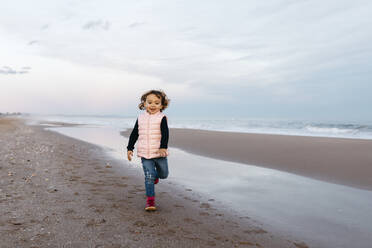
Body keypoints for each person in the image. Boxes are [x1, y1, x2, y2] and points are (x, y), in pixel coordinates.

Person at [127, 90, 170, 211]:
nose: (152, 105)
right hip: (145, 153)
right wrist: (130, 148)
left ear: (162, 105)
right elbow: (135, 133)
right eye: (149, 102)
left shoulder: (162, 118)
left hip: (159, 153)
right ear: (144, 104)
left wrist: (163, 147)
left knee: (164, 175)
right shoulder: (140, 118)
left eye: (156, 103)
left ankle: (156, 176)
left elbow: (165, 134)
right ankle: (150, 201)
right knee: (149, 177)